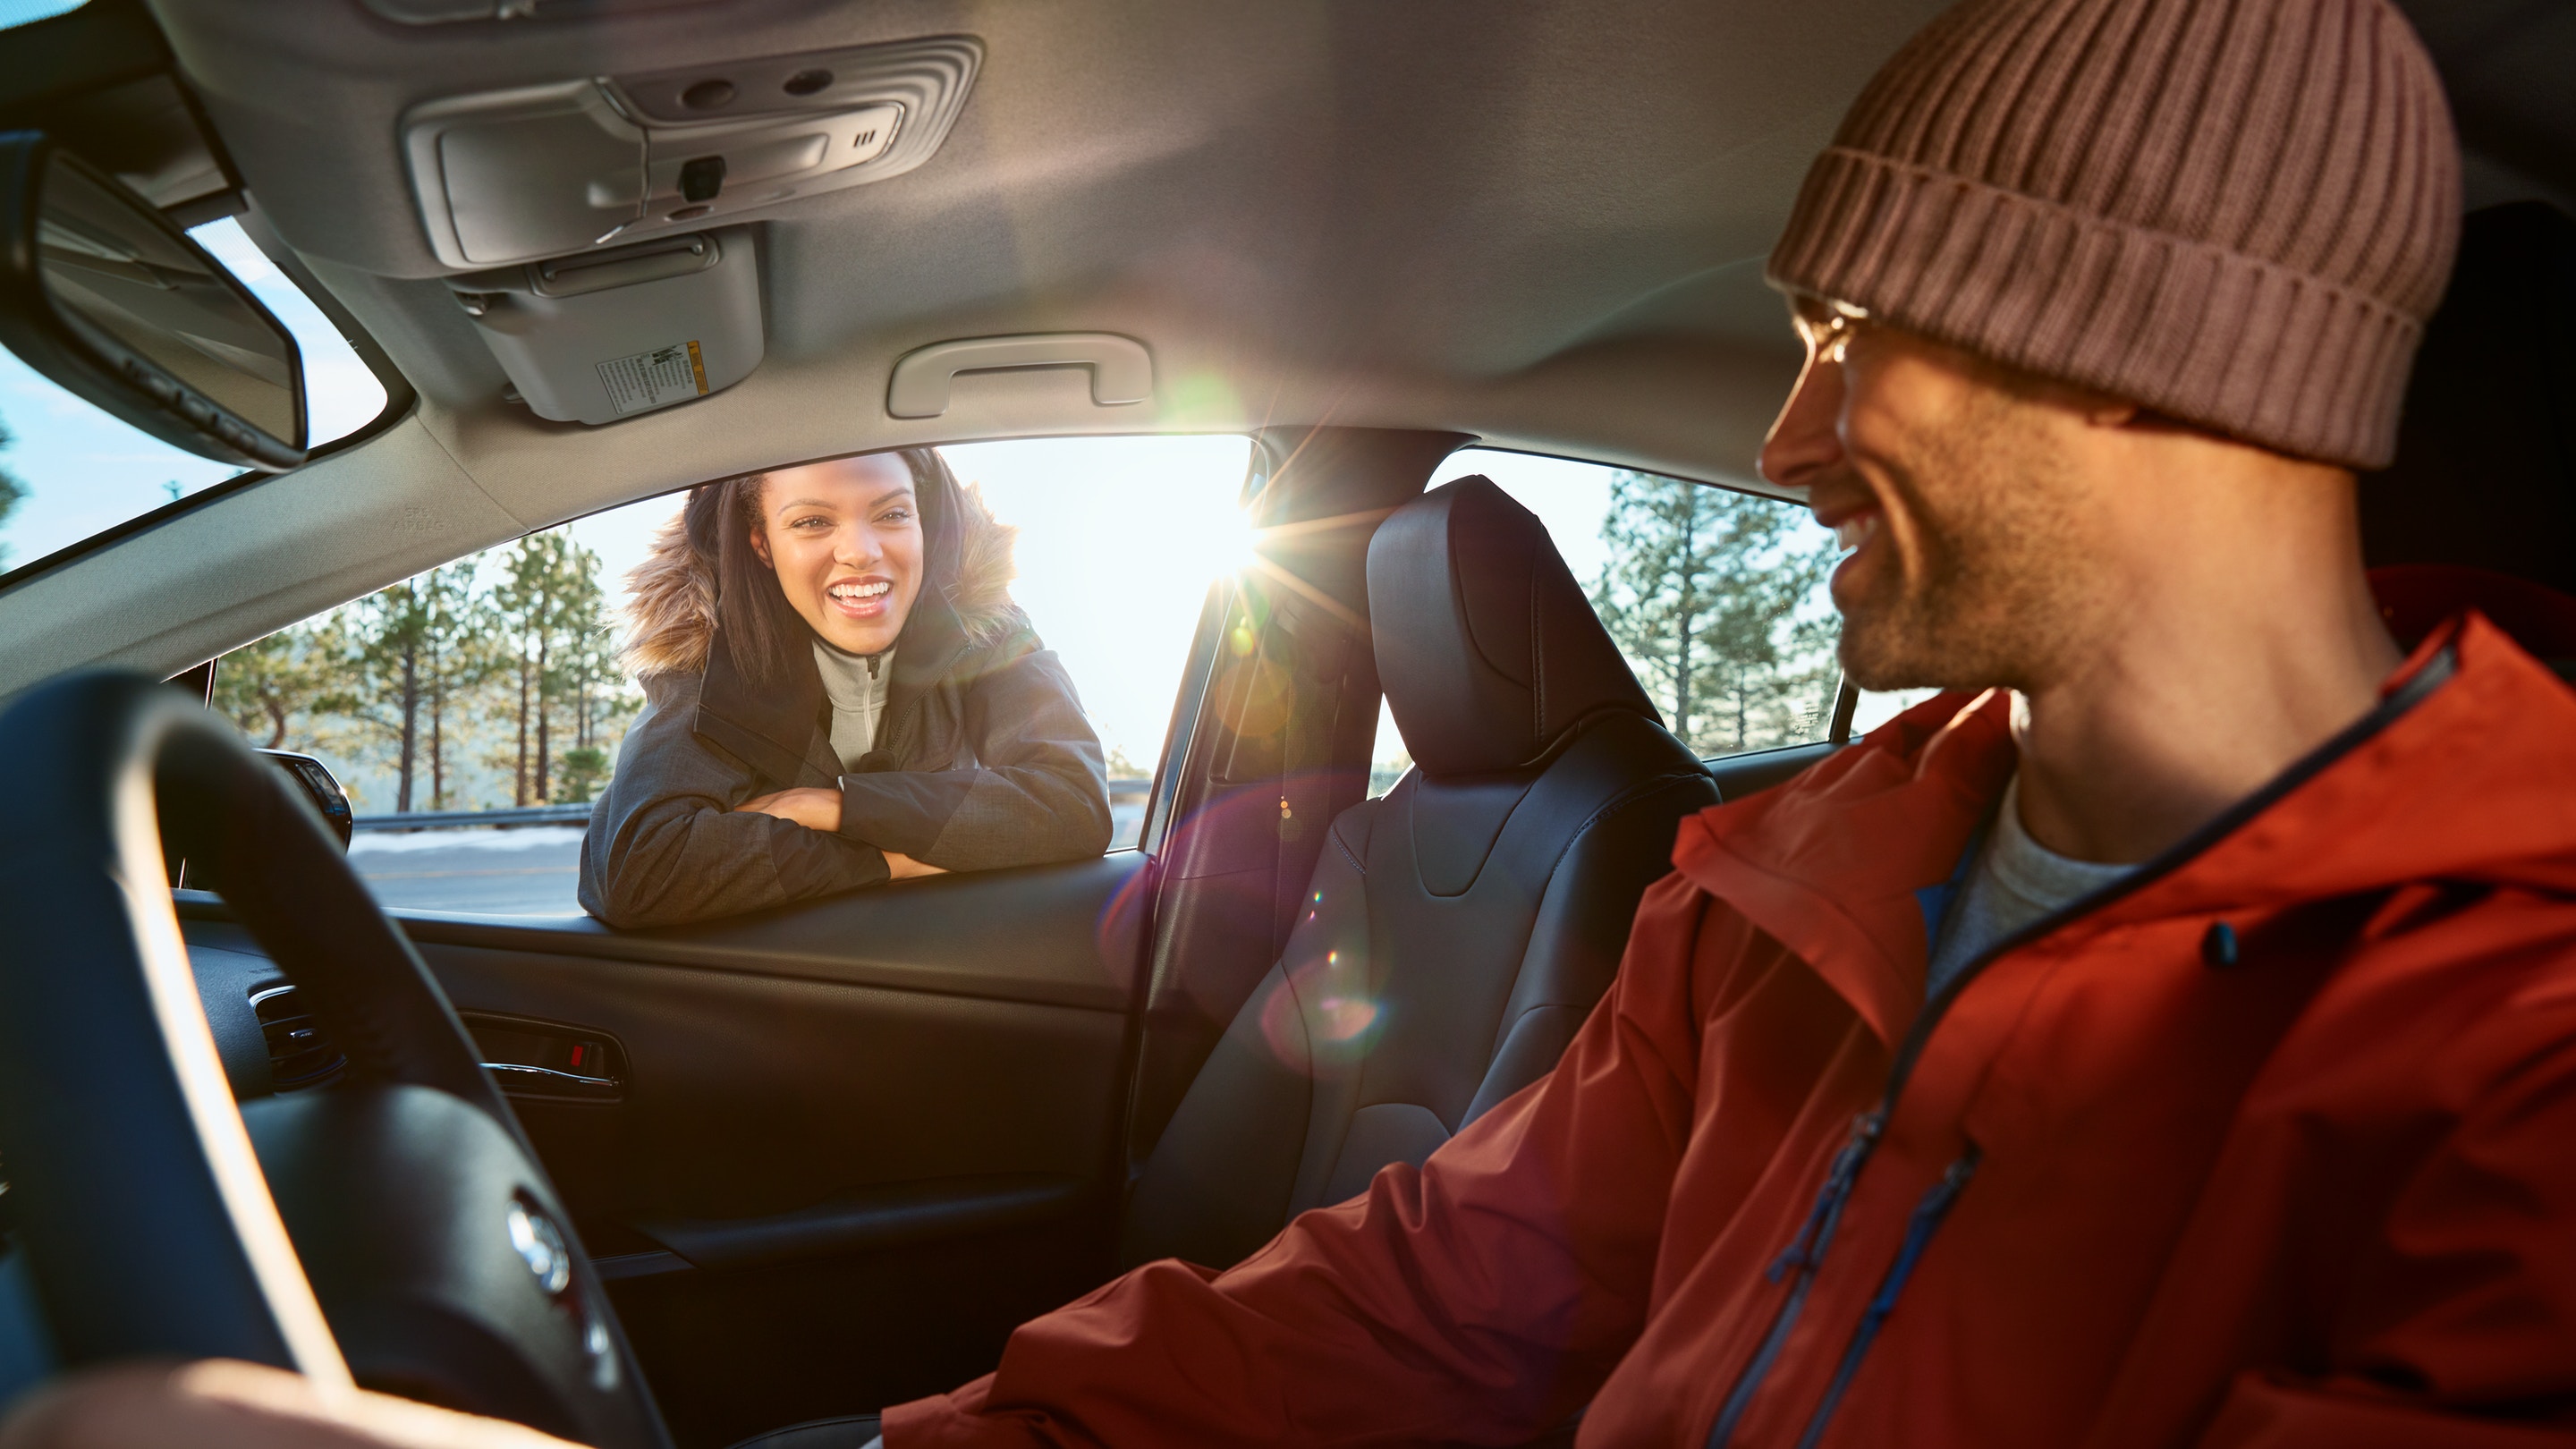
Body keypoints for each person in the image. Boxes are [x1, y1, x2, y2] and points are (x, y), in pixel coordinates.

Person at [864, 0, 2576, 1444]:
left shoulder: (2511, 1032)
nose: (1787, 438)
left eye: (1850, 338)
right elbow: (1439, 1289)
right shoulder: (1786, 895)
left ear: (2150, 337)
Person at [578, 448, 1113, 928]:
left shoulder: (987, 627)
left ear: (923, 523)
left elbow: (1074, 802)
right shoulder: (707, 655)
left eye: (893, 514)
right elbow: (636, 869)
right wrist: (892, 861)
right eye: (812, 521)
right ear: (762, 544)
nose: (860, 551)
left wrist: (835, 806)